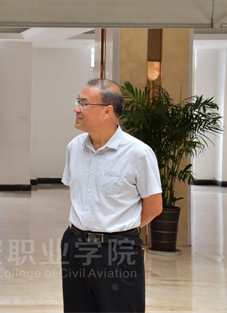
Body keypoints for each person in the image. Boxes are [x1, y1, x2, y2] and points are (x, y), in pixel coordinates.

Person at [61, 78, 163, 313]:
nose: (77, 109)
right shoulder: (74, 147)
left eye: (84, 103)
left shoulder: (138, 153)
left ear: (107, 111)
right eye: (78, 102)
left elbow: (154, 206)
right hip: (76, 244)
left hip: (118, 250)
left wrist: (119, 229)